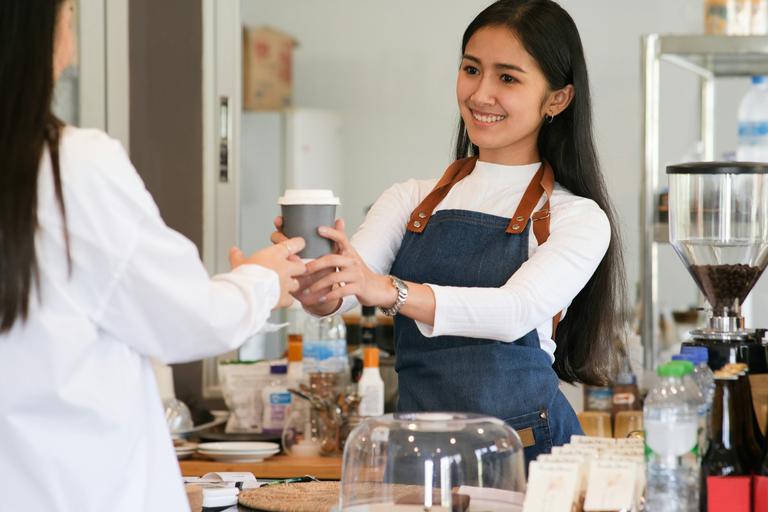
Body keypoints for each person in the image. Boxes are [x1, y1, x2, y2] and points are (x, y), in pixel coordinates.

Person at [274, 0, 625, 464]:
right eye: (471, 69)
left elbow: (512, 312)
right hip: (418, 454)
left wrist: (390, 291)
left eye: (508, 78)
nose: (480, 94)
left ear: (557, 99)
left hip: (529, 457)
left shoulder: (575, 216)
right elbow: (341, 295)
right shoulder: (410, 199)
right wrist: (312, 278)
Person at [0, 1, 306, 510]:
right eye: (70, 18)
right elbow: (189, 318)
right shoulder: (70, 166)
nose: (72, 50)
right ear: (37, 34)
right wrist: (263, 279)